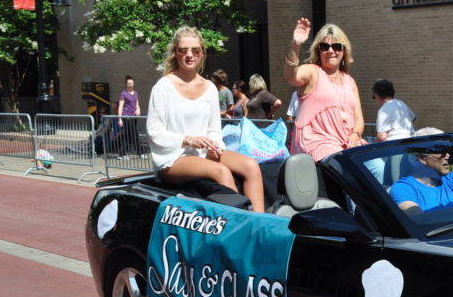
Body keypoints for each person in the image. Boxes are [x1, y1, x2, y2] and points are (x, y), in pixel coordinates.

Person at [146, 26, 265, 213]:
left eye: (195, 50)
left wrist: (215, 146)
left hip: (203, 154)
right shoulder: (163, 86)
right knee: (220, 171)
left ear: (202, 53)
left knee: (251, 166)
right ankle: (242, 225)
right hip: (174, 158)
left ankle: (261, 225)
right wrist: (188, 139)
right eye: (183, 50)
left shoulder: (209, 87)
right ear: (175, 54)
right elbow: (154, 131)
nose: (189, 55)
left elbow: (214, 129)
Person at [284, 17, 366, 161]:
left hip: (347, 142)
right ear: (318, 51)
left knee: (378, 167)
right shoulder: (312, 72)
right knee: (341, 163)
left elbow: (359, 119)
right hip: (317, 143)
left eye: (336, 46)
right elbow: (291, 77)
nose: (330, 51)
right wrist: (296, 44)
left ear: (344, 51)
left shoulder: (350, 81)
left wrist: (355, 135)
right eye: (324, 47)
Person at [114, 75, 141, 156]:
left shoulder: (135, 93)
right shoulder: (124, 94)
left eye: (132, 83)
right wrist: (120, 119)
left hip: (134, 117)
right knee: (135, 134)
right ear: (126, 84)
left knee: (127, 136)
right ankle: (140, 153)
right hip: (127, 117)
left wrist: (138, 110)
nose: (130, 85)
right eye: (129, 83)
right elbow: (120, 106)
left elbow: (137, 104)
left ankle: (121, 154)